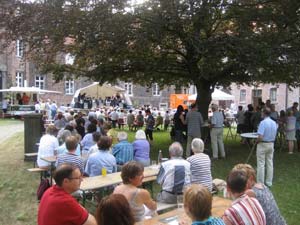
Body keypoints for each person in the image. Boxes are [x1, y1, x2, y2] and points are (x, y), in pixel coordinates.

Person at [256, 108, 277, 187]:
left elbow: (260, 136)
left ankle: (260, 182)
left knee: (261, 163)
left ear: (264, 113)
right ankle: (269, 181)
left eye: (262, 112)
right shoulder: (274, 123)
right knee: (270, 163)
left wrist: (256, 141)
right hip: (271, 143)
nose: (261, 113)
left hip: (263, 144)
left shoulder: (263, 123)